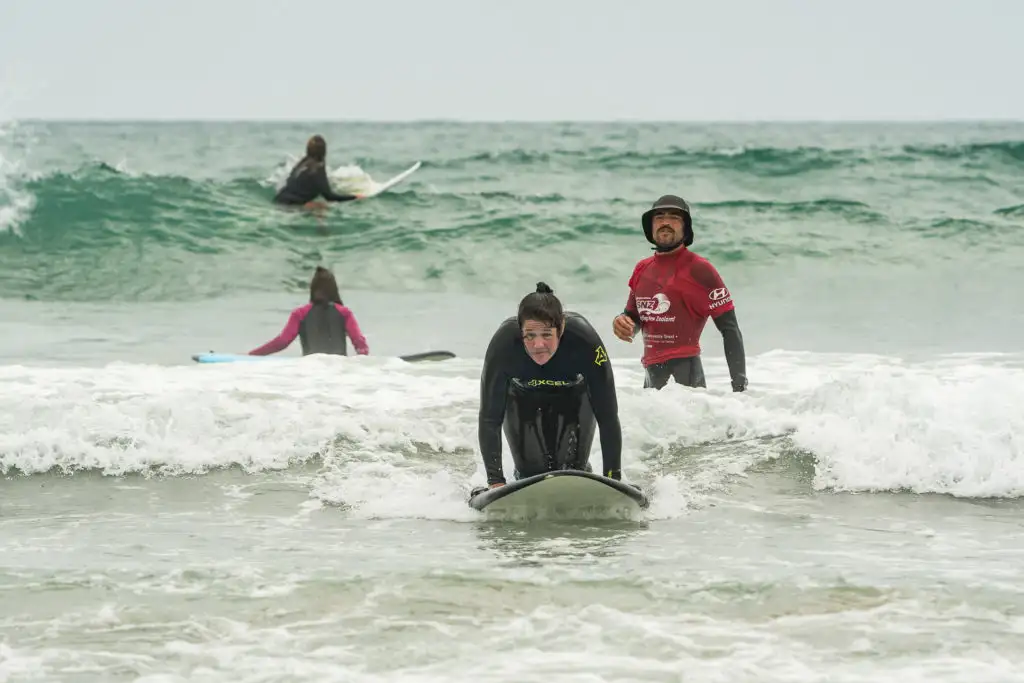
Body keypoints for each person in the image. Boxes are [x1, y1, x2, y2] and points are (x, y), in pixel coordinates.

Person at [476, 282, 624, 490]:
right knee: (530, 475)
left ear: (561, 327)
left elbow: (607, 416)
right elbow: (490, 418)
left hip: (574, 398)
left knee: (573, 472)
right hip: (522, 399)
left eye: (547, 334)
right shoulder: (503, 345)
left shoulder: (585, 341)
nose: (538, 345)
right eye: (530, 335)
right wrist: (495, 481)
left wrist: (613, 479)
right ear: (520, 331)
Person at [611, 194, 748, 392]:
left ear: (686, 227)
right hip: (650, 378)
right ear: (650, 226)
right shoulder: (642, 269)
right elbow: (635, 317)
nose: (665, 222)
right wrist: (623, 323)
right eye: (659, 217)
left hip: (688, 379)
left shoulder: (700, 269)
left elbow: (730, 329)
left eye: (674, 217)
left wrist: (739, 386)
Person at [249, 266, 369, 357]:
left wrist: (253, 355)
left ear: (312, 289)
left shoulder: (300, 313)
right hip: (338, 372)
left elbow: (282, 341)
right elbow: (359, 343)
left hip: (310, 373)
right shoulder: (344, 313)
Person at [273, 135, 362, 207]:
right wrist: (354, 197)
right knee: (321, 207)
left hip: (279, 199)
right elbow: (329, 197)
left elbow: (290, 180)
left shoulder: (302, 163)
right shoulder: (318, 168)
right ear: (324, 151)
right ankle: (323, 229)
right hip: (292, 205)